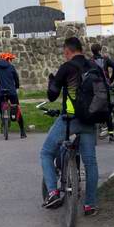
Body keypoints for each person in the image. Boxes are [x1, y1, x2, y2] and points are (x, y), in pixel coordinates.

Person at [39, 37, 99, 217]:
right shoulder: (94, 66)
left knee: (46, 153)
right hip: (90, 120)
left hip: (69, 120)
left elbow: (51, 95)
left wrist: (52, 82)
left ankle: (53, 193)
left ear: (67, 51)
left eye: (64, 52)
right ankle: (90, 205)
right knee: (90, 163)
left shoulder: (67, 68)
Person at [0, 52, 26, 139]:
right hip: (12, 92)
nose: (11, 61)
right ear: (8, 59)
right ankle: (22, 132)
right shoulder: (11, 67)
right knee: (17, 110)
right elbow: (16, 78)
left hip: (1, 92)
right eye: (10, 59)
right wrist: (17, 86)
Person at [90, 43, 114, 141]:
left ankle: (93, 131)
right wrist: (111, 79)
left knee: (93, 107)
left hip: (94, 87)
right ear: (100, 50)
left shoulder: (90, 61)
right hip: (105, 87)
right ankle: (111, 134)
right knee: (107, 110)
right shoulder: (105, 59)